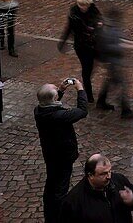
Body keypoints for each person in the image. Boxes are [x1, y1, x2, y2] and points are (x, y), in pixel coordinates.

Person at [35, 78, 88, 223]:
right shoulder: (60, 116)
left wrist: (60, 91)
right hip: (62, 157)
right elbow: (83, 111)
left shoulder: (39, 110)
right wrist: (80, 89)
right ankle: (56, 217)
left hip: (50, 154)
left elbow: (49, 101)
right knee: (60, 188)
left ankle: (50, 213)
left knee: (51, 184)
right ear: (54, 99)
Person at [60, 153, 133, 222]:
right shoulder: (74, 200)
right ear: (90, 175)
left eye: (109, 171)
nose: (109, 176)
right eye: (103, 174)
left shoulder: (118, 180)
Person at [59, 0, 102, 103]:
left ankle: (88, 82)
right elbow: (68, 28)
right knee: (86, 69)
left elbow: (100, 24)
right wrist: (62, 42)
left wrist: (98, 27)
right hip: (81, 46)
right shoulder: (74, 13)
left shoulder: (94, 11)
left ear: (88, 4)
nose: (81, 7)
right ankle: (88, 93)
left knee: (92, 66)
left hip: (94, 44)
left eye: (84, 5)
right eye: (80, 4)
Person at [96, 7, 133, 117]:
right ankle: (125, 110)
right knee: (122, 84)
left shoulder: (109, 27)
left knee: (109, 81)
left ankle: (101, 101)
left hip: (112, 62)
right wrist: (121, 46)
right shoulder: (108, 29)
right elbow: (107, 46)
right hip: (113, 62)